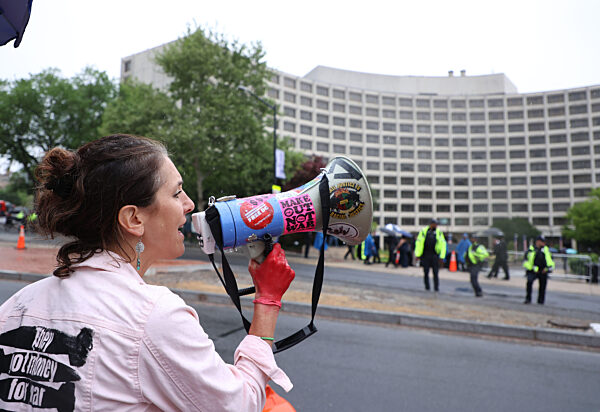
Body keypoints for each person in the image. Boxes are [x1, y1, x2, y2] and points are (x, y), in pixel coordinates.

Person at [0, 134, 294, 411]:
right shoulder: (153, 316)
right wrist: (267, 300)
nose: (189, 205)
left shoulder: (16, 306)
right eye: (177, 192)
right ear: (133, 218)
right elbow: (240, 405)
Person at [414, 219, 446, 291]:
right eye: (434, 224)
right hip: (426, 255)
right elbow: (418, 243)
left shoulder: (439, 232)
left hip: (435, 255)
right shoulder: (423, 231)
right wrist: (418, 255)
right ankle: (427, 287)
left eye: (436, 224)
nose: (435, 225)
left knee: (435, 272)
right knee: (426, 272)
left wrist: (442, 257)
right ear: (431, 224)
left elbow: (443, 245)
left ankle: (436, 288)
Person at [523, 235, 555, 305]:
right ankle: (528, 299)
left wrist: (547, 269)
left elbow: (550, 260)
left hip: (543, 270)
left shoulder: (546, 250)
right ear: (538, 242)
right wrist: (531, 268)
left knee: (542, 286)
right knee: (529, 283)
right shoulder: (531, 249)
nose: (544, 243)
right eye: (542, 242)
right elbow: (527, 260)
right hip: (533, 270)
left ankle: (540, 301)